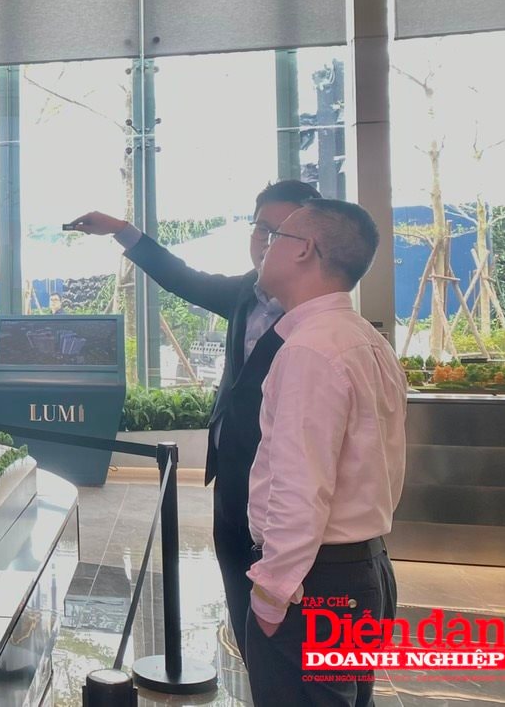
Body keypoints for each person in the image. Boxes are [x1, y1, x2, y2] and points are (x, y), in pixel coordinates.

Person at [67, 179, 320, 661]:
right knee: (244, 609)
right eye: (260, 229)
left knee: (296, 637)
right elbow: (180, 277)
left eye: (281, 231)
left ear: (312, 243)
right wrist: (122, 230)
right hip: (232, 476)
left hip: (288, 490)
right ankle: (258, 669)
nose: (265, 242)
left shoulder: (323, 324)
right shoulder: (246, 292)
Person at [244, 199, 406, 707]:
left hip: (314, 581)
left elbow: (300, 486)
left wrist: (273, 591)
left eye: (275, 236)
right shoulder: (363, 339)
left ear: (304, 250)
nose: (264, 247)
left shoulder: (310, 351)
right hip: (362, 568)